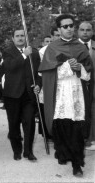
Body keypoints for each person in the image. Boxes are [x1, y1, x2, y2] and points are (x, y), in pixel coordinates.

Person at [39, 14, 92, 177]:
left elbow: (88, 73)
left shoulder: (80, 47)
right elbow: (47, 73)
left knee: (76, 130)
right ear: (59, 29)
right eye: (65, 26)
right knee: (61, 128)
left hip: (77, 93)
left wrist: (78, 68)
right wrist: (67, 66)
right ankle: (63, 153)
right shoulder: (53, 47)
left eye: (71, 26)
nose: (69, 29)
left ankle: (77, 164)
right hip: (60, 94)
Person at [2, 28, 41, 162]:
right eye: (17, 36)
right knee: (13, 125)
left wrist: (38, 85)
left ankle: (28, 151)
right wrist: (24, 55)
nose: (20, 38)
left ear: (26, 38)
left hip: (28, 95)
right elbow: (10, 67)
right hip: (12, 95)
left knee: (30, 123)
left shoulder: (34, 53)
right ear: (13, 39)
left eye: (22, 36)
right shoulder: (7, 52)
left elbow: (38, 74)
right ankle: (17, 150)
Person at [77, 21, 95, 151]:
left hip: (94, 87)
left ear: (92, 32)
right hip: (77, 85)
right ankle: (78, 139)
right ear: (78, 31)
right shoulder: (72, 47)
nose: (85, 32)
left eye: (88, 30)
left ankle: (91, 139)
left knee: (93, 111)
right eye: (82, 30)